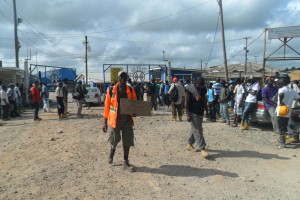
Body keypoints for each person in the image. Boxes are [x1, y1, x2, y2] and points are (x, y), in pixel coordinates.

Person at [102, 71, 137, 172]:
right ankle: (112, 150)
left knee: (127, 140)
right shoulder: (111, 90)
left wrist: (134, 112)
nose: (123, 79)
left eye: (125, 77)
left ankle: (125, 162)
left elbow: (134, 103)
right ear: (118, 78)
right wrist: (104, 122)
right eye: (121, 77)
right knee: (115, 139)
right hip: (115, 119)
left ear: (127, 79)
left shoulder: (130, 89)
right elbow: (107, 106)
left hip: (127, 119)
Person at [185, 77, 209, 158]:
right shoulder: (189, 90)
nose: (201, 86)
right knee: (198, 130)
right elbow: (186, 104)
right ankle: (202, 148)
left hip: (200, 112)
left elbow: (204, 100)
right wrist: (188, 114)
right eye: (200, 84)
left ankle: (189, 143)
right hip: (193, 113)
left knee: (195, 129)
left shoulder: (203, 89)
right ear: (196, 84)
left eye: (203, 85)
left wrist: (207, 110)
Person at [276, 77, 300, 148]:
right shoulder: (292, 90)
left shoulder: (281, 89)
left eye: (279, 82)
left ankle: (282, 143)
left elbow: (280, 94)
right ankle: (284, 140)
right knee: (285, 125)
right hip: (288, 111)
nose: (278, 84)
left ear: (283, 83)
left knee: (280, 126)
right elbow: (298, 97)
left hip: (281, 110)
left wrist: (281, 102)